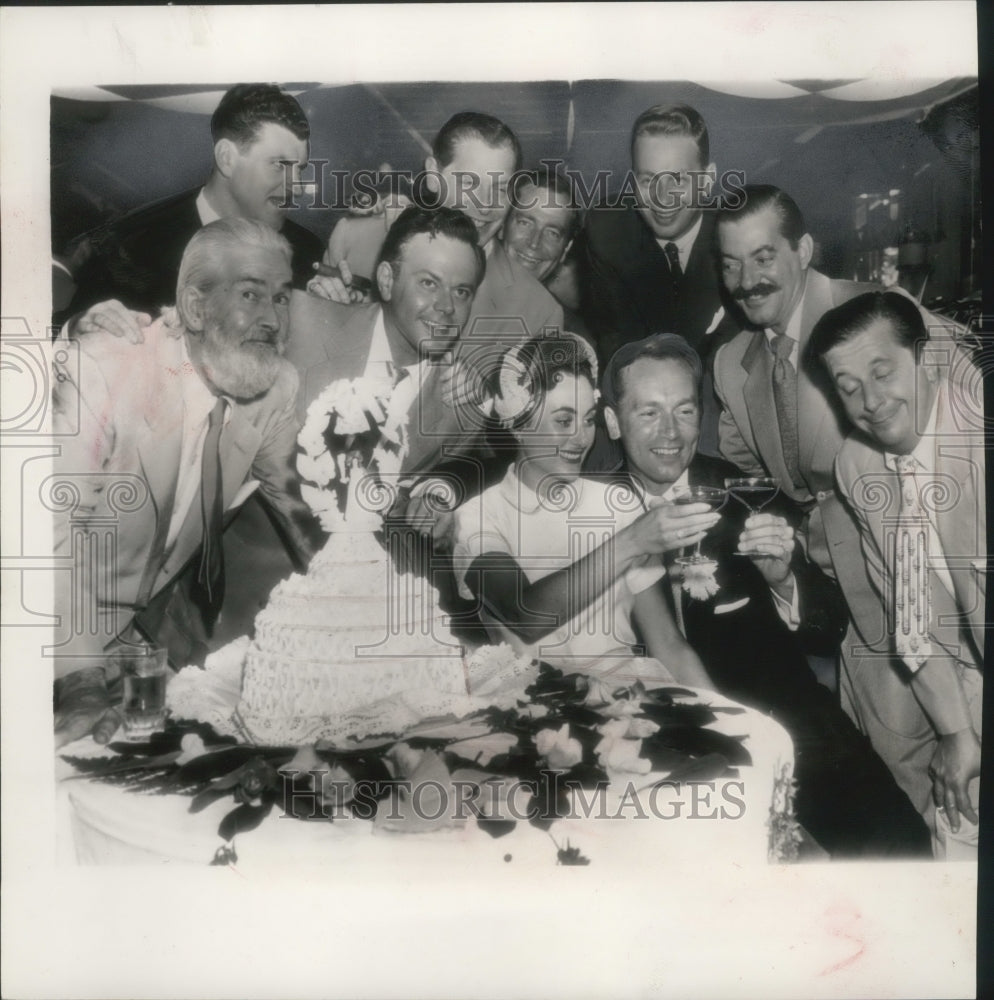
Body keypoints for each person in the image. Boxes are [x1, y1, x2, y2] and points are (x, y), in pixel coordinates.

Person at [597, 332, 931, 857]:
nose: (670, 433)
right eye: (648, 413)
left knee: (897, 847)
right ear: (613, 421)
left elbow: (829, 627)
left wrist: (783, 580)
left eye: (685, 411)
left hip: (786, 717)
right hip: (654, 733)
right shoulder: (589, 511)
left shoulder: (746, 493)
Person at [52, 218, 321, 747]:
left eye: (282, 298)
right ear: (195, 307)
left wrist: (372, 597)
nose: (271, 319)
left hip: (142, 656)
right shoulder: (104, 367)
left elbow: (305, 513)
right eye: (250, 294)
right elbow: (40, 539)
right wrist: (77, 677)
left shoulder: (275, 385)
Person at [808, 291, 984, 852]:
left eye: (882, 372)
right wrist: (957, 733)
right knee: (957, 838)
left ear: (926, 359)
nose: (872, 402)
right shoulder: (858, 465)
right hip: (964, 669)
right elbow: (909, 613)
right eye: (849, 386)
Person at [452, 334, 710, 687]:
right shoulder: (478, 517)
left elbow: (668, 645)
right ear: (518, 426)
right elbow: (526, 615)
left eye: (588, 419)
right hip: (532, 707)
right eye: (562, 421)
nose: (581, 438)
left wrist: (725, 719)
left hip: (626, 700)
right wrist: (632, 541)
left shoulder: (614, 505)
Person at [59, 84, 324, 332]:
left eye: (300, 169)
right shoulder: (128, 248)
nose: (297, 187)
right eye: (279, 165)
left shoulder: (309, 254)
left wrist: (338, 312)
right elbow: (55, 342)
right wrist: (78, 328)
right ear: (227, 159)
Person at [312, 111, 564, 341]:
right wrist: (320, 311)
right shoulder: (355, 242)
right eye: (468, 183)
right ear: (433, 176)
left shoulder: (537, 312)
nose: (485, 206)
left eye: (500, 189)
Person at [580, 104, 728, 452]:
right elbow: (618, 352)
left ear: (707, 180)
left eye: (677, 179)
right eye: (648, 180)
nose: (662, 199)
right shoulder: (608, 231)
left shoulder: (734, 236)